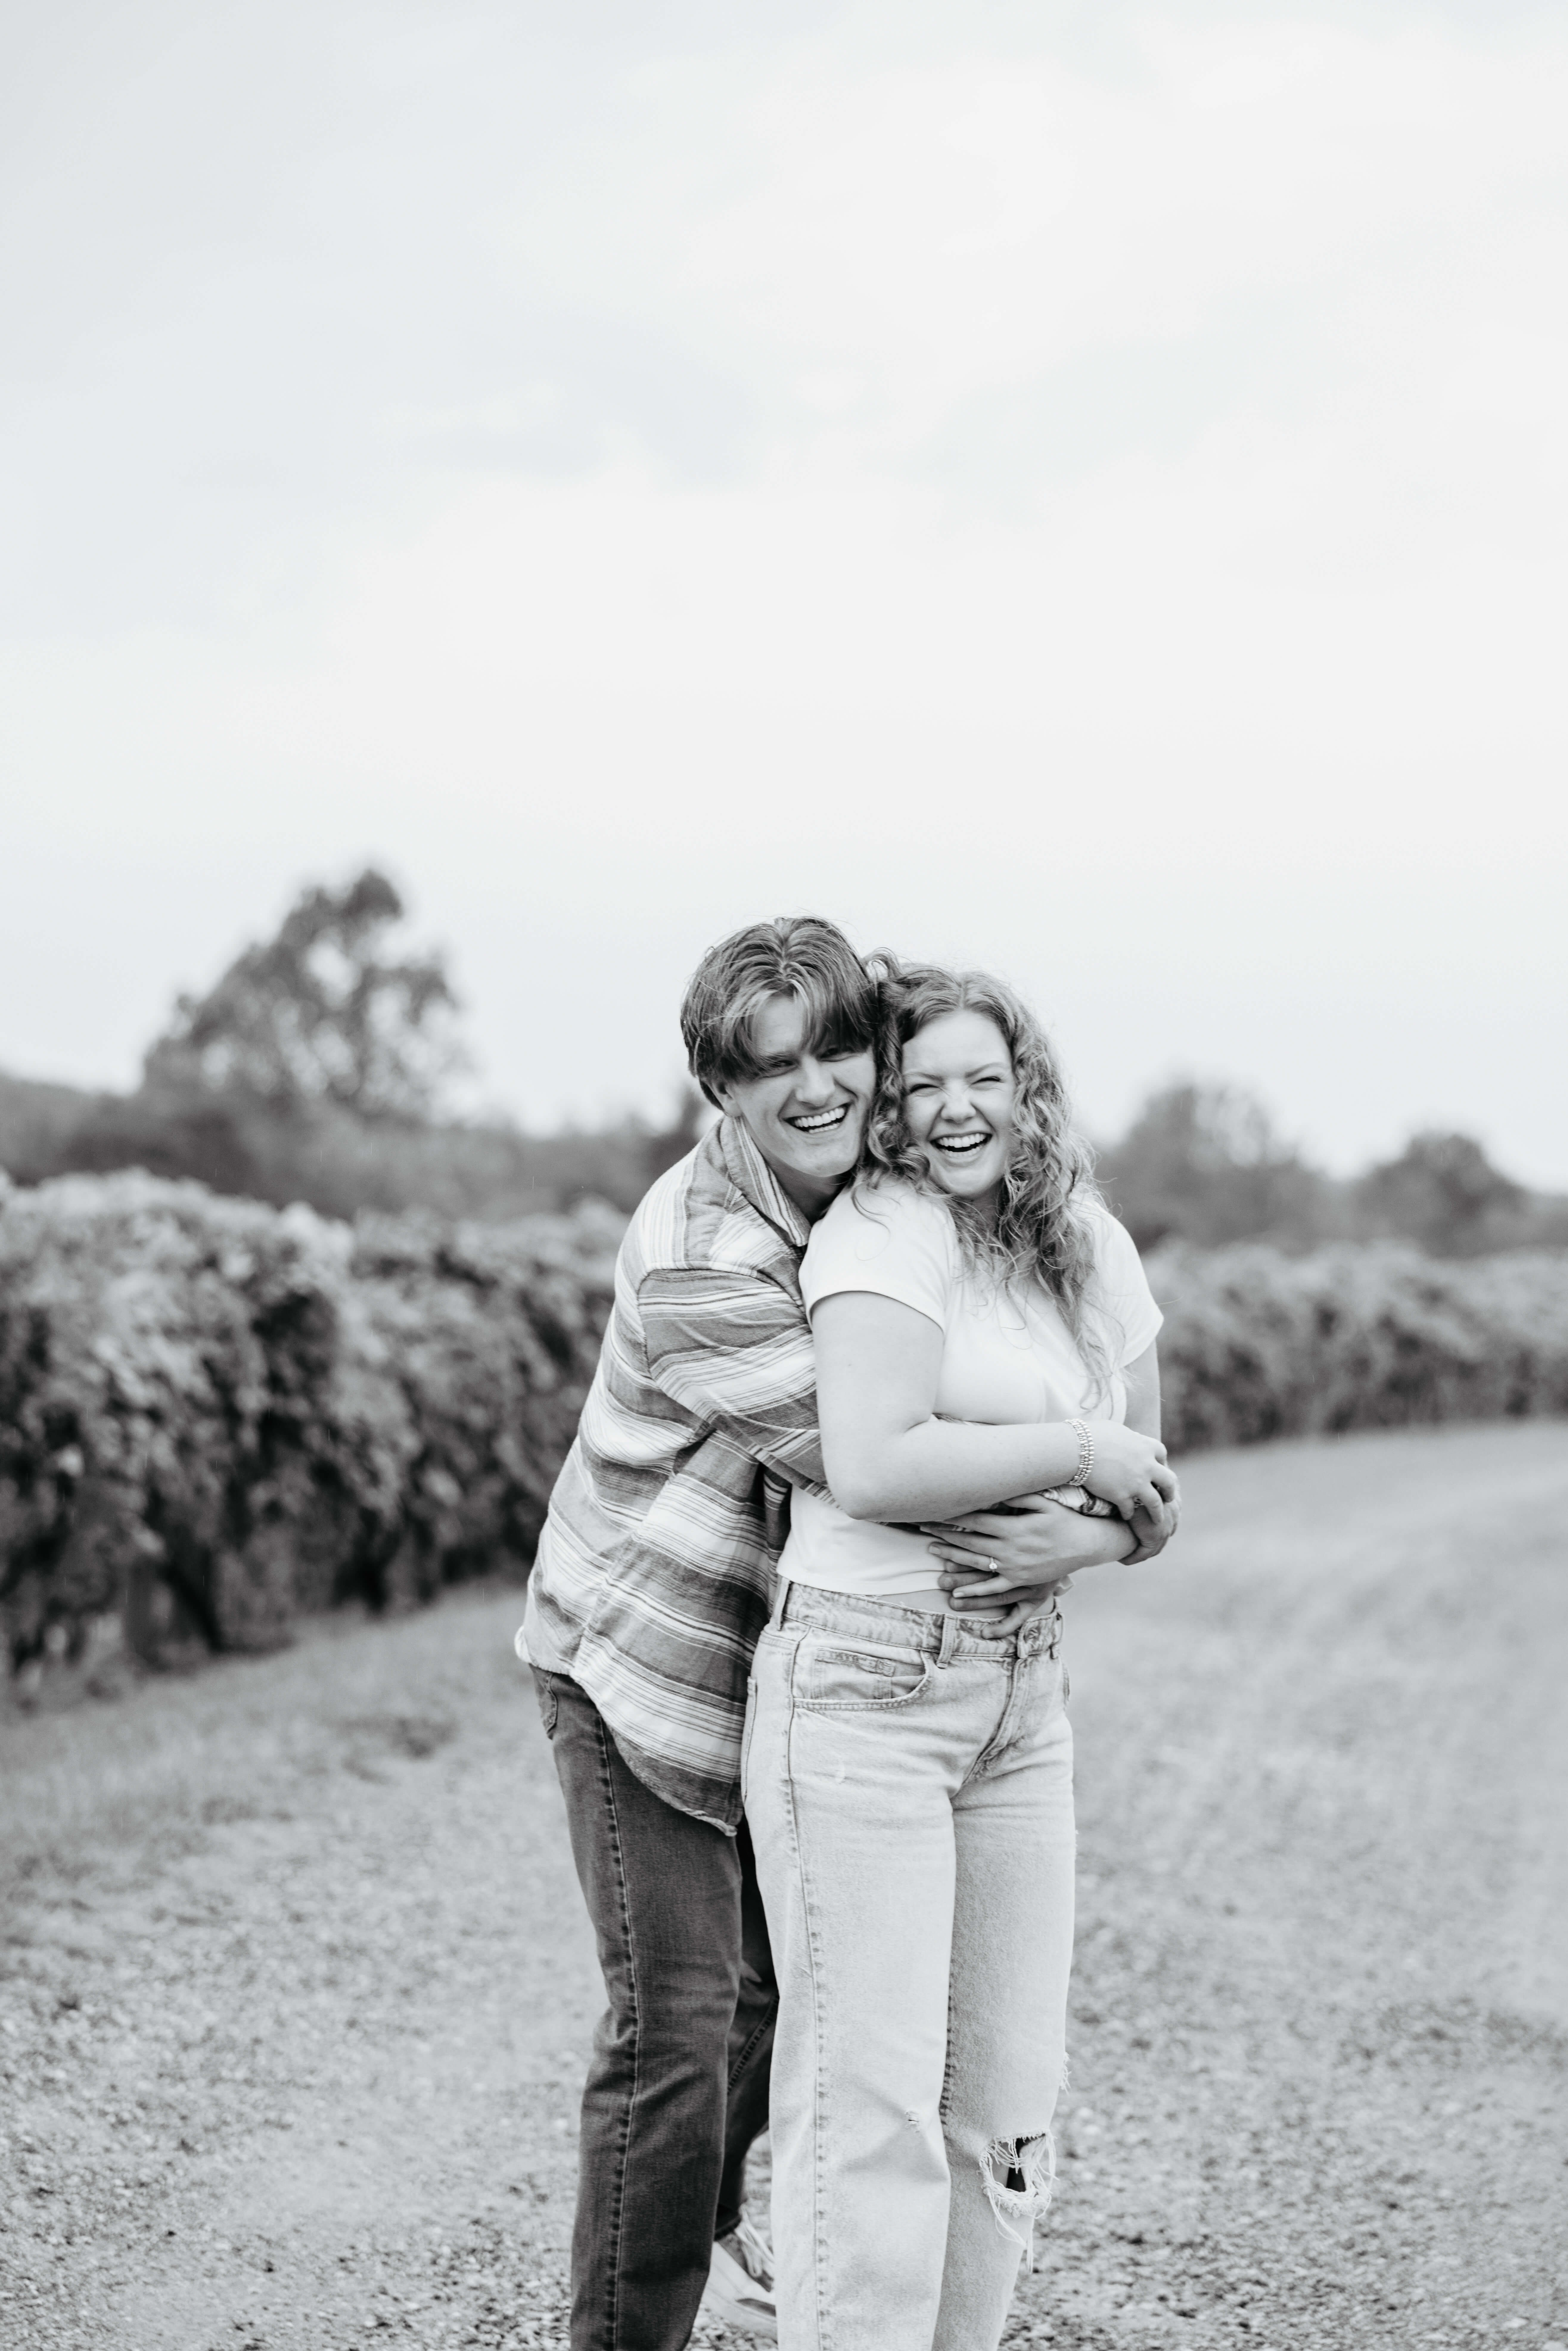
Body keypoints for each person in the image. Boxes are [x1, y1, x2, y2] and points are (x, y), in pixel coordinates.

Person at [519, 920, 1161, 2351]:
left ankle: (771, 2269)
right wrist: (1093, 1460)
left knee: (799, 2023)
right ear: (720, 1094)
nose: (813, 1086)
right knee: (684, 2030)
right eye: (769, 1068)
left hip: (819, 1660)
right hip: (649, 1663)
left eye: (834, 1048)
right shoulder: (704, 1254)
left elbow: (998, 1429)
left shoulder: (885, 1196)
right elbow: (872, 1458)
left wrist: (1114, 1512)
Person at [743, 959, 1175, 2351]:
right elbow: (871, 1463)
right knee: (867, 2116)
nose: (952, 1108)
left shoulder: (1084, 1242)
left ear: (1024, 1082)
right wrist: (1075, 1453)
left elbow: (1152, 1479)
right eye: (921, 1083)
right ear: (886, 1106)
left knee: (1000, 2113)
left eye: (980, 1077)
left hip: (1020, 1692)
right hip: (864, 1684)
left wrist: (1091, 1540)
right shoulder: (883, 1229)